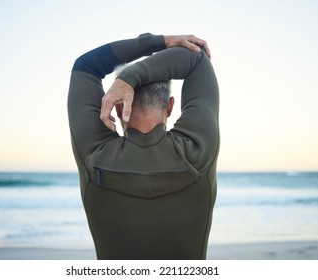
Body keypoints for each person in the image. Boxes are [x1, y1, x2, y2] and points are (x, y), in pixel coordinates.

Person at [67, 33, 219, 260]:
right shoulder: (197, 150)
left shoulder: (94, 154)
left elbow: (86, 65)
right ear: (169, 106)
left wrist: (161, 41)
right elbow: (198, 60)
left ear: (118, 108)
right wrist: (130, 78)